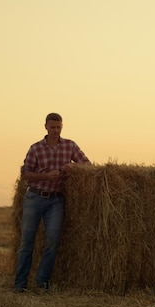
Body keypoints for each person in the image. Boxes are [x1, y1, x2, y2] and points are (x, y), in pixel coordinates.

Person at [14, 112, 90, 292]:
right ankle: (20, 284)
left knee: (53, 240)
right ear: (46, 127)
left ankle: (42, 283)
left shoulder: (70, 146)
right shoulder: (36, 148)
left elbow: (88, 164)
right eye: (53, 127)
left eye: (59, 127)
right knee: (27, 242)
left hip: (56, 201)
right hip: (34, 197)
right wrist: (45, 176)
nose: (56, 130)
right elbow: (25, 174)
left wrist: (73, 166)